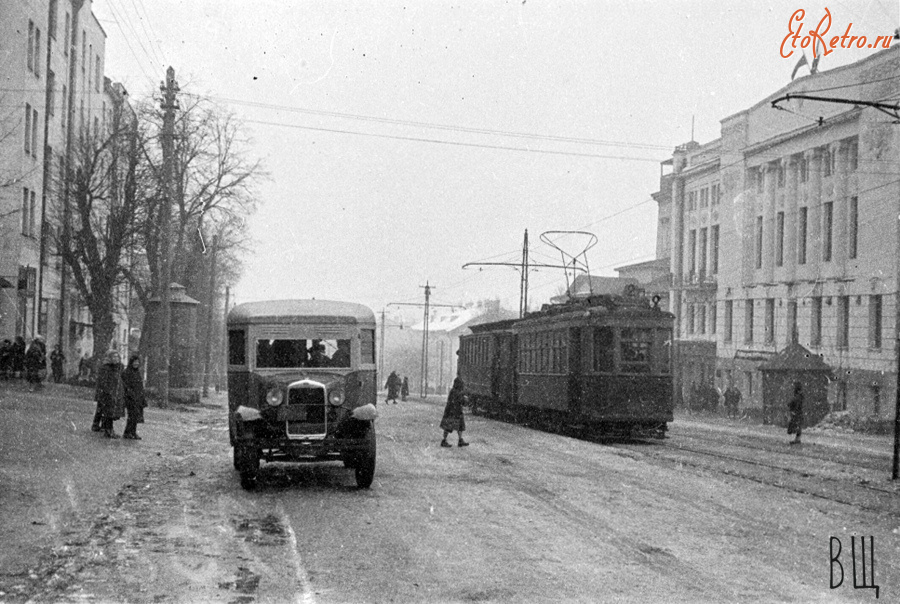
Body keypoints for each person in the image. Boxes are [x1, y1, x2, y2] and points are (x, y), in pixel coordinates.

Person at [93, 350, 125, 438]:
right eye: (113, 357)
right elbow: (103, 382)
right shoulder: (106, 368)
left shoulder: (118, 368)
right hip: (107, 394)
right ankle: (108, 430)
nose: (116, 359)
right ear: (110, 358)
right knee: (108, 412)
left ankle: (108, 429)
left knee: (110, 412)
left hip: (115, 393)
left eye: (117, 357)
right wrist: (108, 392)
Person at [121, 355, 147, 440]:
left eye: (137, 362)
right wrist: (131, 394)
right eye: (134, 362)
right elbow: (125, 385)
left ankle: (132, 432)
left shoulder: (137, 372)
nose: (136, 364)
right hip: (130, 398)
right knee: (132, 415)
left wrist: (141, 396)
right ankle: (128, 432)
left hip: (138, 397)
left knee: (136, 416)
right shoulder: (126, 372)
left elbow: (139, 386)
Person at [440, 376, 469, 447]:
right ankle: (447, 441)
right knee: (456, 426)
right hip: (454, 412)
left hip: (452, 411)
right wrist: (465, 399)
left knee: (452, 427)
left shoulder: (453, 391)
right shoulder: (457, 392)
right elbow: (462, 401)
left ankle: (455, 440)